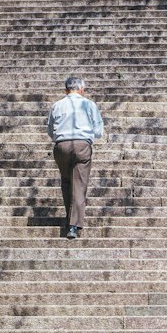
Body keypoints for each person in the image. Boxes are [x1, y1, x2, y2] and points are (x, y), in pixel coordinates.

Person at [46, 76, 104, 240]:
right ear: (82, 90)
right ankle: (73, 226)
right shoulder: (89, 104)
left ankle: (69, 216)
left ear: (66, 90)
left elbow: (50, 130)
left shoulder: (57, 105)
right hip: (81, 145)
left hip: (61, 146)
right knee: (79, 184)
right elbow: (99, 131)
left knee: (66, 181)